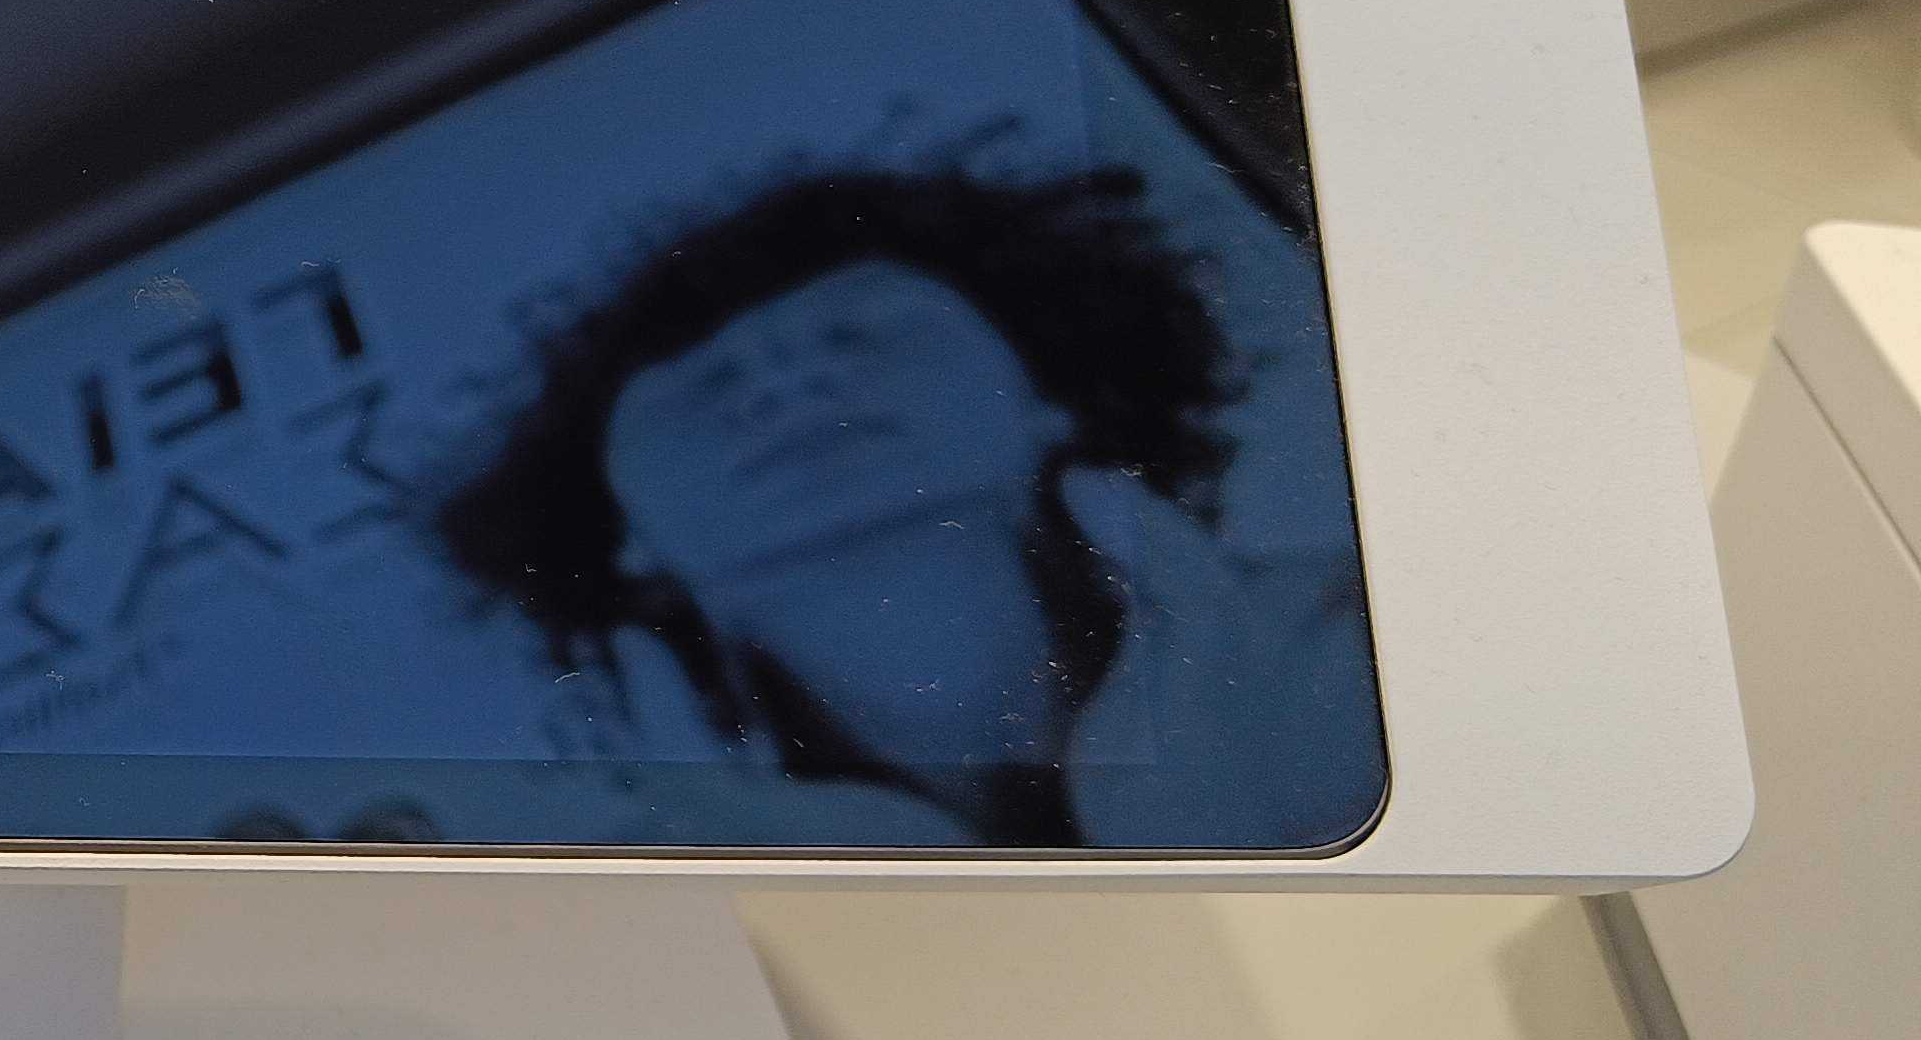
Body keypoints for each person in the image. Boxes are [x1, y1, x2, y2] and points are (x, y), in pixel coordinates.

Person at [429, 160, 1377, 849]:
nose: (782, 385)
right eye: (703, 382)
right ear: (624, 534)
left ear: (1044, 396)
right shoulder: (583, 878)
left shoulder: (1373, 655)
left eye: (857, 334)